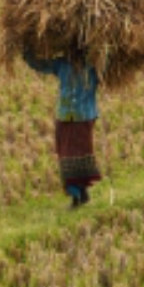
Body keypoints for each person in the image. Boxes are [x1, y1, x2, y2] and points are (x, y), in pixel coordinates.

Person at [23, 48, 102, 208]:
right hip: (65, 116)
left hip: (83, 117)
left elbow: (114, 69)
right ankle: (80, 194)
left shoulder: (94, 67)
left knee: (80, 155)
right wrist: (26, 52)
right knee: (65, 155)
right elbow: (40, 64)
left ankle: (79, 196)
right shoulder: (62, 65)